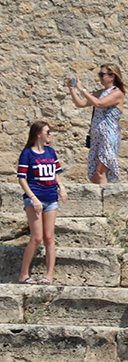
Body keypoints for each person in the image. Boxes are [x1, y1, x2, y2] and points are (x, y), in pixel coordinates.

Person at [17, 121, 64, 285]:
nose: (50, 134)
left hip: (51, 198)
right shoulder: (27, 154)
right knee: (36, 237)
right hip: (34, 198)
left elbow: (56, 173)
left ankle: (49, 275)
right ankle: (24, 274)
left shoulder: (50, 152)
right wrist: (33, 198)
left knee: (49, 237)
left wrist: (62, 188)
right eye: (47, 131)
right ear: (38, 134)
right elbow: (21, 178)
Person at [67, 64, 126, 184]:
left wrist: (82, 89)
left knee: (100, 172)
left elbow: (99, 104)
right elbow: (80, 103)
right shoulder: (101, 92)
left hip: (108, 135)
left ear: (112, 76)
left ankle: (105, 201)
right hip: (97, 136)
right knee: (94, 175)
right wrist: (72, 89)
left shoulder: (117, 93)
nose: (100, 77)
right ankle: (105, 195)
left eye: (102, 74)